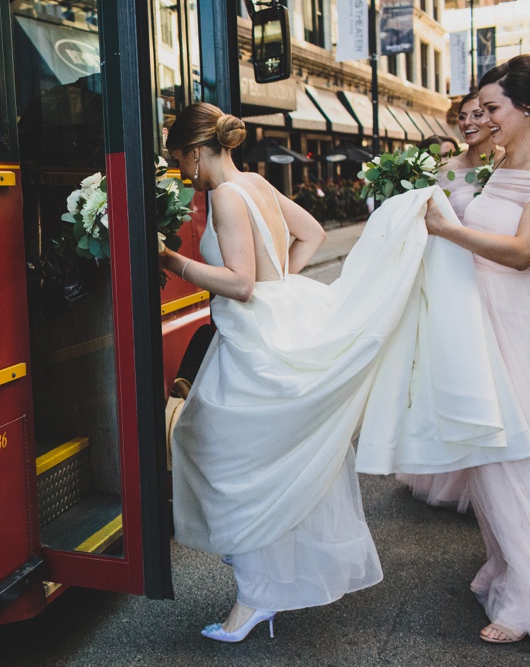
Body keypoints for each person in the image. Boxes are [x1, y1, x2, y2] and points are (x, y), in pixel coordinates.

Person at [161, 102, 384, 642]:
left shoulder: (222, 196)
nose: (178, 170)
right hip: (273, 327)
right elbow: (310, 235)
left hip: (248, 342)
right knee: (257, 460)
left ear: (195, 151)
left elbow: (238, 283)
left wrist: (168, 259)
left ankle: (256, 595)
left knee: (227, 458)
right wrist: (281, 283)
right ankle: (263, 582)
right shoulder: (257, 183)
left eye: (177, 157)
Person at [423, 55, 530, 644]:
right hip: (482, 324)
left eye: (492, 109)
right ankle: (508, 562)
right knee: (485, 454)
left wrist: (447, 228)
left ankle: (525, 595)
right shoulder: (502, 165)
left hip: (515, 326)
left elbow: (521, 252)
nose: (482, 119)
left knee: (507, 457)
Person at [397, 89, 499, 512]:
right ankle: (466, 474)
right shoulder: (444, 171)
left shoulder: (511, 165)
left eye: (479, 112)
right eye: (463, 115)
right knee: (466, 375)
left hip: (502, 278)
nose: (469, 121)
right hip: (459, 284)